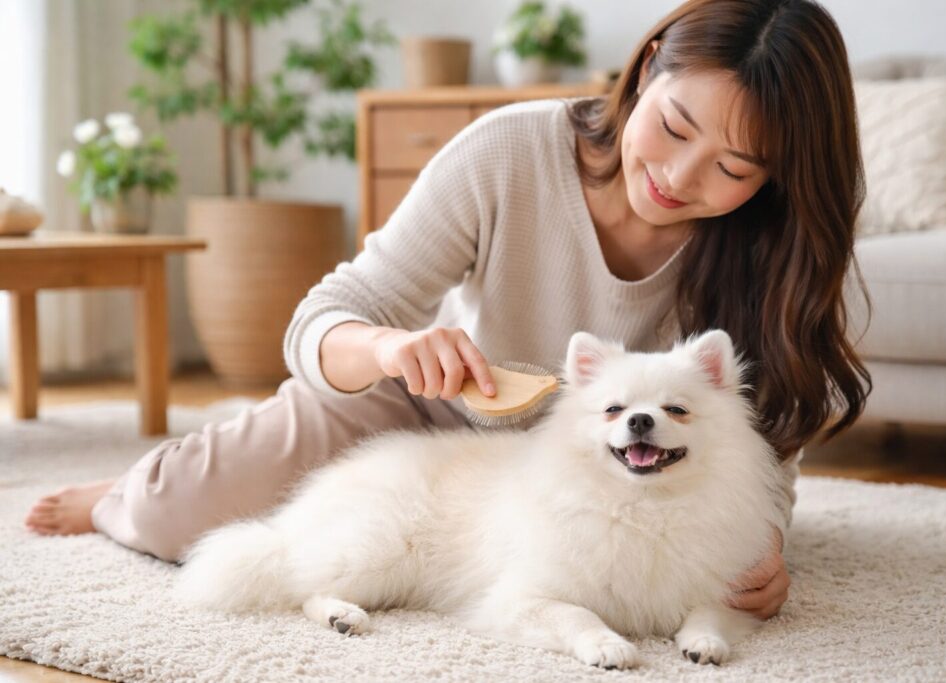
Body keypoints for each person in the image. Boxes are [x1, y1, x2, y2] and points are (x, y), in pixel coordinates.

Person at [24, 0, 871, 622]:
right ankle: (126, 487)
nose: (683, 178)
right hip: (421, 412)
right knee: (180, 519)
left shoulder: (771, 244)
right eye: (676, 126)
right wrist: (393, 349)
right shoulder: (510, 151)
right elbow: (329, 314)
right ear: (647, 69)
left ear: (776, 176)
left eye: (734, 167)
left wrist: (769, 536)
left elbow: (767, 426)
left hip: (576, 475)